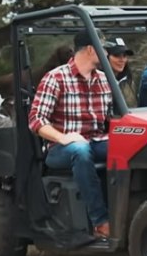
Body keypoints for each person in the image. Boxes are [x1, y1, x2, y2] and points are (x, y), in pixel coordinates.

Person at [28, 29, 112, 239]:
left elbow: (112, 118)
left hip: (96, 140)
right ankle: (100, 221)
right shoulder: (55, 78)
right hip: (61, 148)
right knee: (80, 150)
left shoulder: (104, 79)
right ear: (92, 49)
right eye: (104, 48)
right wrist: (63, 137)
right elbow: (36, 120)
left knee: (132, 146)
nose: (107, 53)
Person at [104, 37, 138, 107]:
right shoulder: (98, 81)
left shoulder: (129, 81)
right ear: (105, 57)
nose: (122, 60)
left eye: (124, 56)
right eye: (117, 55)